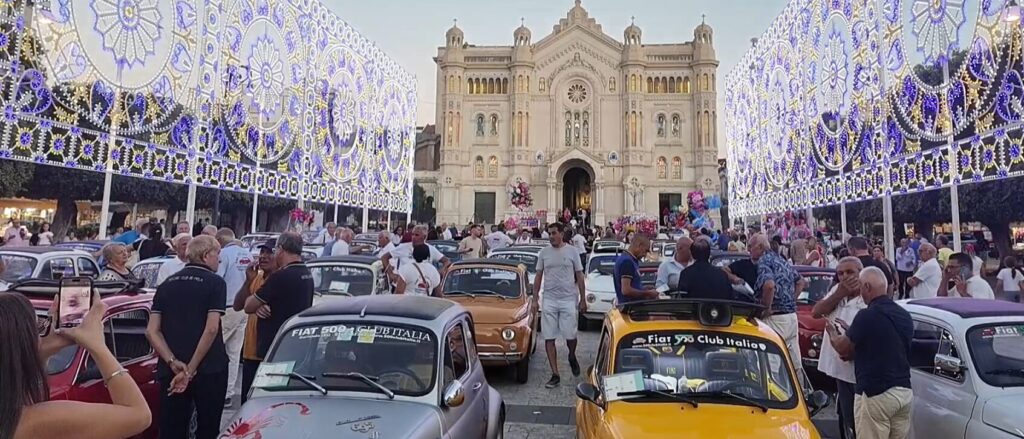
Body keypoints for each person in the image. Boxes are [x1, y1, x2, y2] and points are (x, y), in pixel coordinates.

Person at [1, 292, 151, 439]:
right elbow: (139, 415)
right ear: (22, 345)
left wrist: (45, 349)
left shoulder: (12, 415)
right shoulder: (36, 422)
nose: (46, 326)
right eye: (39, 325)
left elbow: (25, 370)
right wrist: (97, 346)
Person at [144, 235, 228, 439]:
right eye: (217, 254)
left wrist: (172, 361)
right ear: (206, 255)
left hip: (172, 369)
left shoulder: (166, 284)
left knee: (172, 428)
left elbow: (152, 331)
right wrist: (190, 370)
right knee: (208, 427)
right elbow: (211, 329)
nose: (219, 259)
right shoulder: (215, 283)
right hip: (209, 367)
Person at [826, 267, 914, 439]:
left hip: (876, 393)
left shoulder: (866, 315)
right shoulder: (904, 315)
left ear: (867, 287)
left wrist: (833, 333)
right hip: (903, 392)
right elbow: (885, 339)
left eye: (860, 287)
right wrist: (852, 330)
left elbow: (843, 348)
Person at [244, 232, 314, 381]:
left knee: (268, 387)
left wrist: (257, 304)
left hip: (275, 345)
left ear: (281, 249)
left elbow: (248, 306)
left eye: (274, 250)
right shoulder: (307, 273)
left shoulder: (280, 276)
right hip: (296, 343)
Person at [812, 257, 866, 439]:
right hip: (839, 370)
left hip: (858, 373)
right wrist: (839, 293)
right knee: (846, 419)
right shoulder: (837, 290)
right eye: (840, 273)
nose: (845, 277)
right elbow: (816, 312)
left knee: (858, 423)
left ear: (861, 273)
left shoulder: (867, 295)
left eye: (850, 272)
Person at [533, 222, 586, 388]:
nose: (551, 236)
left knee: (570, 335)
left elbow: (579, 275)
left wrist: (583, 299)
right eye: (549, 233)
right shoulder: (544, 253)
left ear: (562, 234)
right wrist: (535, 299)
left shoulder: (572, 251)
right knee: (549, 337)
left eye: (554, 233)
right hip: (549, 299)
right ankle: (555, 374)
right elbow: (538, 276)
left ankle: (571, 355)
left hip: (568, 299)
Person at [749, 234, 804, 375]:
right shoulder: (781, 260)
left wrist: (766, 308)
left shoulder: (764, 261)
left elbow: (769, 285)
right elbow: (800, 281)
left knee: (769, 366)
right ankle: (801, 388)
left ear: (760, 247)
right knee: (794, 365)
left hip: (775, 318)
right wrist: (790, 300)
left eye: (750, 247)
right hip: (791, 317)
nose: (748, 250)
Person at [233, 243, 276, 403]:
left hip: (270, 353)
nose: (263, 256)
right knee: (247, 401)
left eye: (269, 253)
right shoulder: (257, 277)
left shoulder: (280, 280)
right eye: (262, 252)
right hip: (251, 351)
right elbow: (238, 305)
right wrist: (248, 281)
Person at [215, 228, 250, 407]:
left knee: (214, 349)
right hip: (244, 308)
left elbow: (217, 279)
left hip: (227, 308)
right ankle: (228, 393)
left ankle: (215, 390)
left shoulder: (224, 255)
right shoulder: (247, 255)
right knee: (234, 352)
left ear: (220, 240)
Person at [381, 225, 451, 274]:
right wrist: (391, 274)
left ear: (424, 237)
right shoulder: (403, 247)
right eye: (412, 234)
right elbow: (384, 257)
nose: (413, 237)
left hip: (422, 287)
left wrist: (441, 271)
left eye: (417, 235)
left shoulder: (430, 249)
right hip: (403, 286)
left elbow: (447, 261)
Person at [614, 234, 659, 304]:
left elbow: (631, 286)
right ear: (639, 246)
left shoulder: (627, 259)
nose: (645, 255)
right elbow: (626, 291)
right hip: (630, 307)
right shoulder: (627, 262)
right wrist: (648, 293)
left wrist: (643, 289)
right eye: (646, 250)